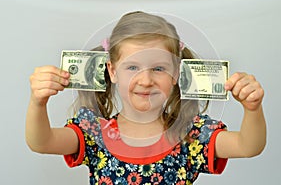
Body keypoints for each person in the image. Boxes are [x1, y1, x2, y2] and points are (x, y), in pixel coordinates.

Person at [26, 11, 266, 184]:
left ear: (175, 73)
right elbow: (41, 142)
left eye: (159, 68)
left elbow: (248, 146)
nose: (146, 80)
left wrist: (252, 109)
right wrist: (38, 103)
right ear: (112, 71)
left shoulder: (191, 134)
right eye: (132, 68)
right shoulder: (94, 132)